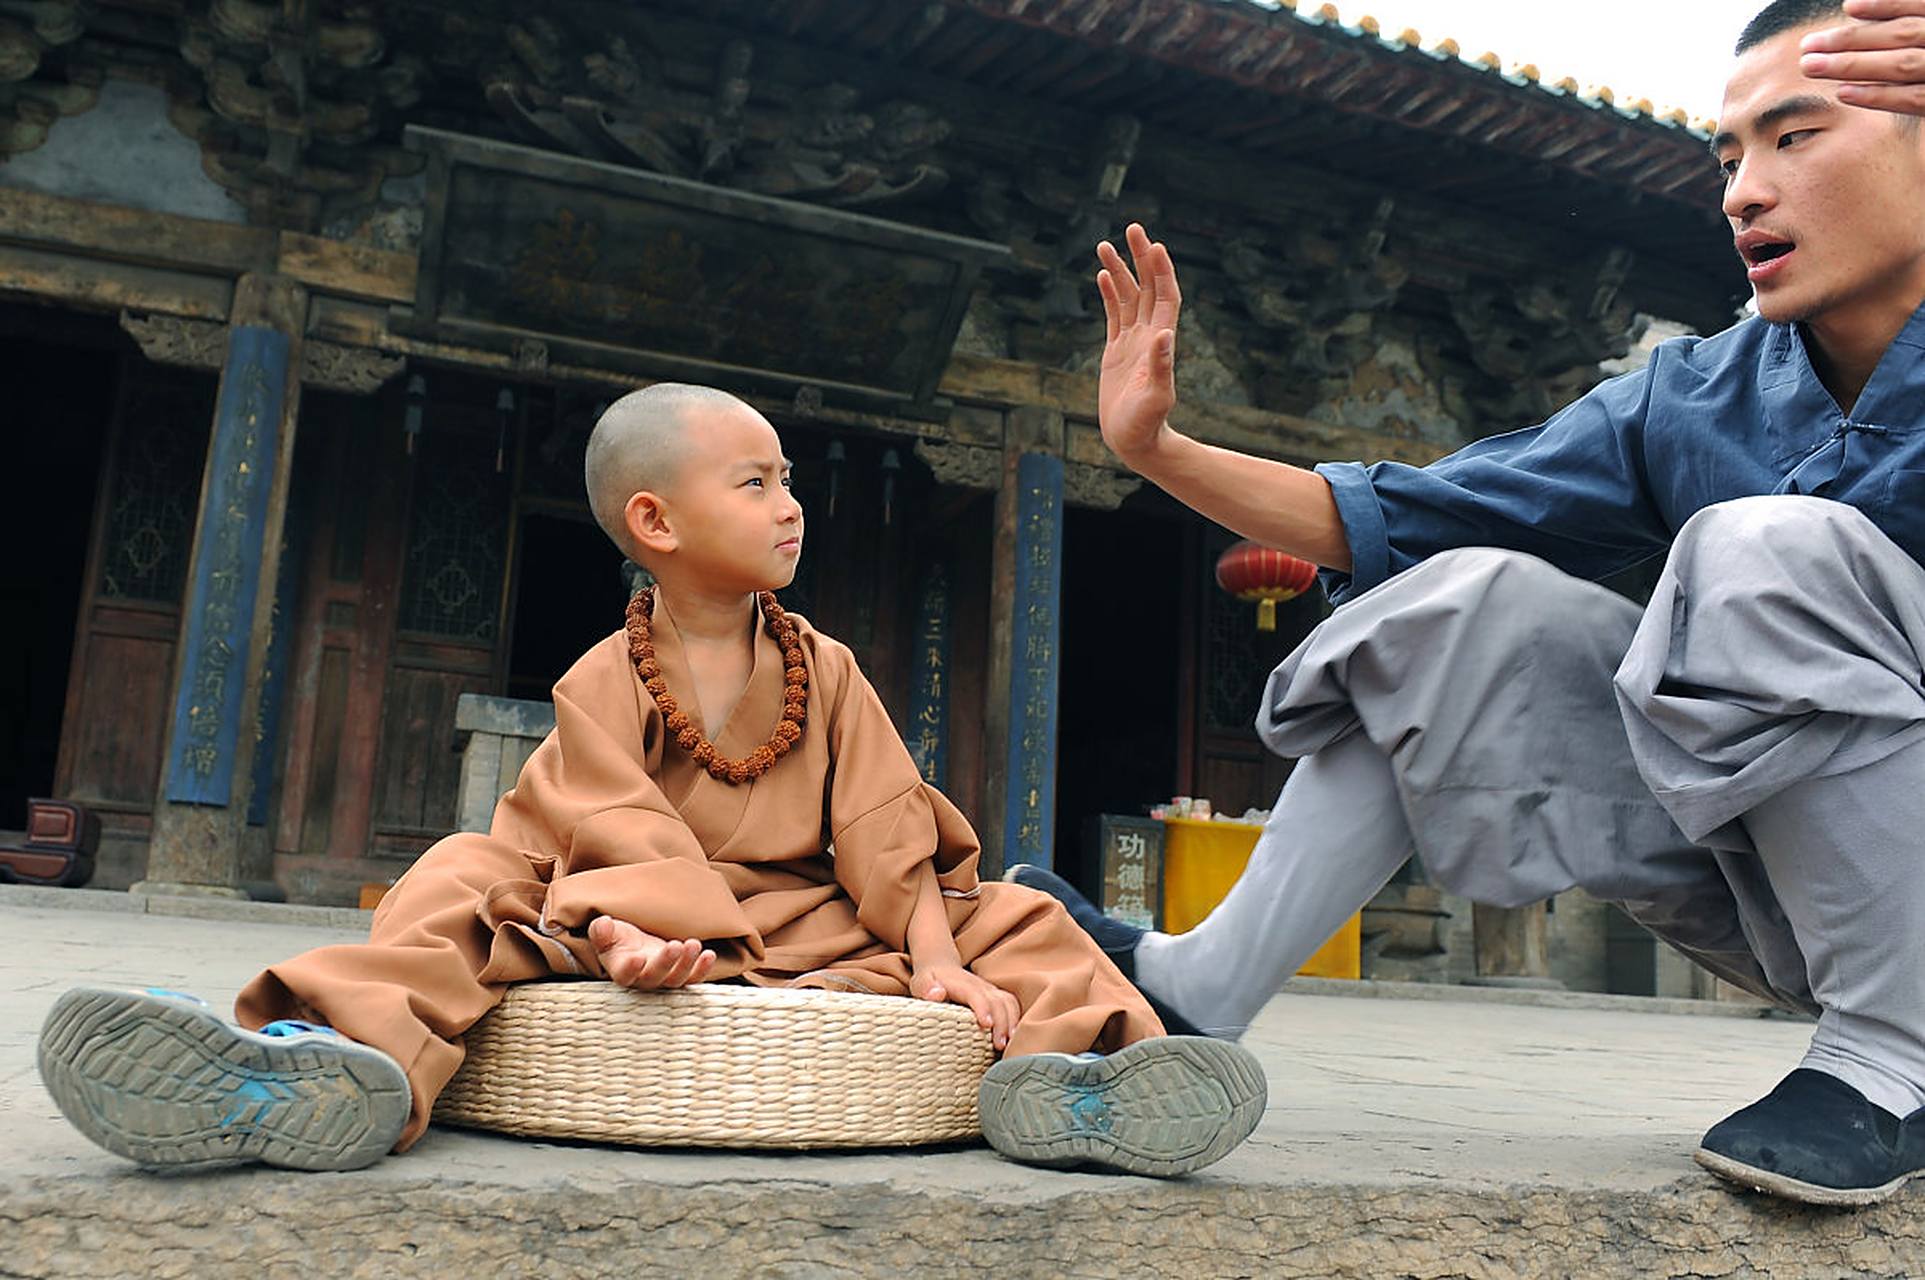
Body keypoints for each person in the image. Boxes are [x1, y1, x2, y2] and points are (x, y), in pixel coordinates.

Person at [1009, 0, 1925, 1207]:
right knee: (1457, 609)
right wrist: (1159, 448)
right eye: (1726, 157)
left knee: (1764, 546)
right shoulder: (1693, 395)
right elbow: (1410, 512)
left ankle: (1891, 1063)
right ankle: (1196, 985)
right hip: (1804, 901)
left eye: (1793, 138)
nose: (1740, 192)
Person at [37, 384, 1265, 1179]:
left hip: (810, 918)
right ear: (656, 522)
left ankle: (1088, 1086)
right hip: (605, 913)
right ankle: (309, 1062)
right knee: (458, 876)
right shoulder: (601, 676)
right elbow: (601, 824)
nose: (790, 507)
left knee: (1024, 914)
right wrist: (623, 927)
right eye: (755, 483)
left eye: (787, 479)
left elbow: (888, 826)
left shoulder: (824, 666)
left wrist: (938, 954)